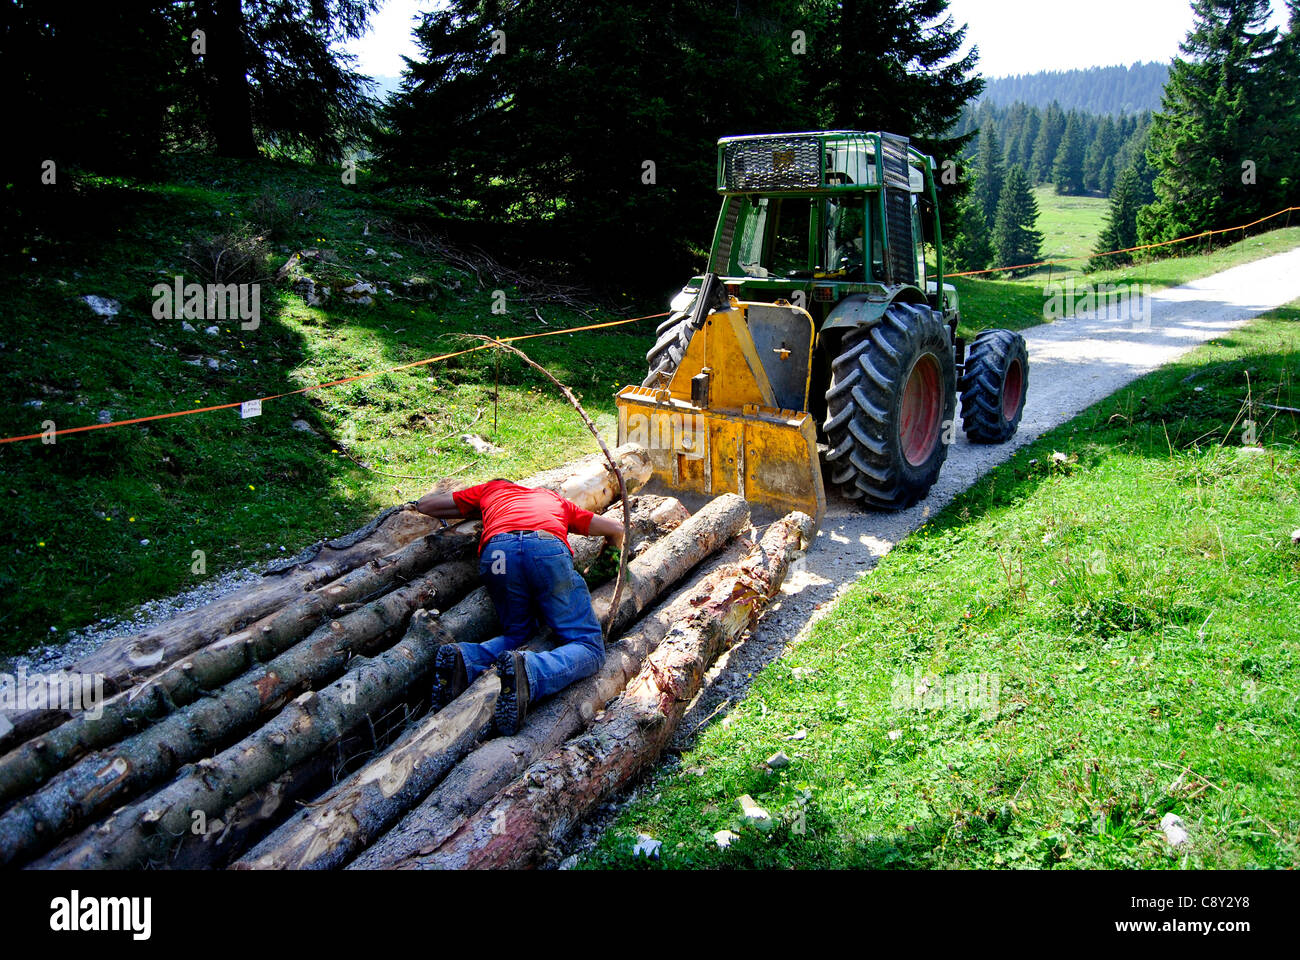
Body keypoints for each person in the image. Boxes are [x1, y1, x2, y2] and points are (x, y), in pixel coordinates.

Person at [414, 479, 626, 734]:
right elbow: (616, 528)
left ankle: (466, 659)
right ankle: (531, 671)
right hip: (545, 550)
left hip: (498, 555)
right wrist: (612, 560)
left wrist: (476, 508)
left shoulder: (493, 489)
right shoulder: (556, 500)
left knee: (518, 634)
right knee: (589, 646)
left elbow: (426, 505)